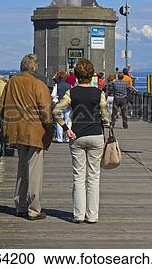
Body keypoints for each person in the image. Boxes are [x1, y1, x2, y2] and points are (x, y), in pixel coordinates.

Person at [53, 58, 110, 224]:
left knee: (78, 176)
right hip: (96, 135)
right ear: (91, 75)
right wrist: (104, 122)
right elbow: (105, 116)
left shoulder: (72, 93)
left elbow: (56, 111)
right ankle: (92, 215)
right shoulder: (99, 93)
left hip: (76, 136)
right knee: (93, 177)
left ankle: (78, 215)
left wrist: (66, 129)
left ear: (77, 75)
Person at [0, 54, 54, 221]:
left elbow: (2, 106)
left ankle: (20, 205)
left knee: (22, 169)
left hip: (17, 131)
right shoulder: (39, 85)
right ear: (35, 68)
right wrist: (50, 129)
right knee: (34, 171)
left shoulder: (12, 82)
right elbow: (45, 112)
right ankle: (33, 209)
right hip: (35, 132)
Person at [53, 71, 71, 143]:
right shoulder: (69, 86)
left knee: (59, 121)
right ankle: (67, 137)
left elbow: (53, 95)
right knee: (68, 121)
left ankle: (59, 138)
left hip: (59, 104)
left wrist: (56, 100)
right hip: (68, 106)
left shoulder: (57, 85)